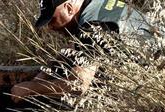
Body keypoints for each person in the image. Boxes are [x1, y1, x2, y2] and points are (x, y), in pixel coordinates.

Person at [11, 0, 153, 103]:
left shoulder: (93, 26)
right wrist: (45, 74)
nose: (50, 27)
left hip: (150, 88)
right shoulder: (98, 7)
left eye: (52, 19)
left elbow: (78, 85)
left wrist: (31, 89)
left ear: (69, 8)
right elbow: (73, 50)